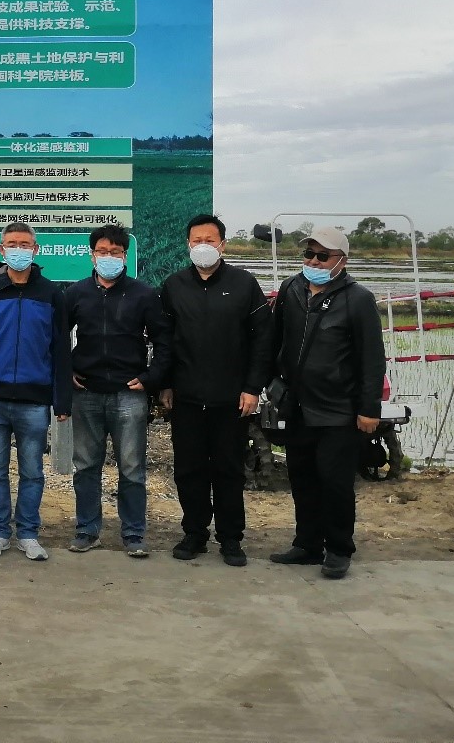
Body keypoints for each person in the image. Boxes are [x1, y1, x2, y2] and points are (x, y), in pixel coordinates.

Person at [268, 225, 386, 579]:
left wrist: (369, 409)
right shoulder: (291, 289)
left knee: (335, 483)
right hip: (297, 405)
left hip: (338, 409)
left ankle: (338, 549)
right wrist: (267, 384)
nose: (314, 261)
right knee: (302, 479)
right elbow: (275, 340)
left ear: (342, 261)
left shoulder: (358, 299)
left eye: (323, 255)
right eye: (309, 254)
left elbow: (371, 358)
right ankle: (307, 544)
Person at [158, 214, 273, 566]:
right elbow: (164, 341)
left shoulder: (244, 284)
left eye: (210, 240)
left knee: (229, 470)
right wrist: (164, 384)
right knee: (189, 469)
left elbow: (263, 340)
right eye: (197, 240)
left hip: (231, 399)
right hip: (186, 397)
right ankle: (194, 533)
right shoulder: (174, 286)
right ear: (188, 244)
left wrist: (252, 388)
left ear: (222, 244)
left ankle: (231, 538)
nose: (203, 246)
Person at [0, 222, 71, 562]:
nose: (18, 250)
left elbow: (60, 350)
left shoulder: (51, 294)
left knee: (33, 472)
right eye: (12, 244)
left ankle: (28, 533)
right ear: (1, 249)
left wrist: (62, 400)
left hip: (34, 400)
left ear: (35, 250)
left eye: (25, 244)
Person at [64, 223, 171, 558]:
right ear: (91, 255)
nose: (108, 257)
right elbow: (55, 337)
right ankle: (87, 529)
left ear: (125, 256)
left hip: (129, 393)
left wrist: (151, 378)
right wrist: (66, 370)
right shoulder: (76, 293)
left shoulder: (143, 294)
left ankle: (134, 533)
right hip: (86, 392)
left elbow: (164, 341)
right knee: (86, 466)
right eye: (102, 251)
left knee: (132, 468)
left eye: (115, 252)